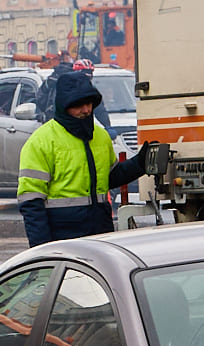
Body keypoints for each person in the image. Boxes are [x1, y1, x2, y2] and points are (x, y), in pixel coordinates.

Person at [15, 68, 124, 247]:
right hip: (63, 238)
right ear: (64, 105)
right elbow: (31, 203)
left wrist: (141, 163)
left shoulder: (100, 136)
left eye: (89, 103)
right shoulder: (41, 141)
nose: (86, 110)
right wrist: (42, 250)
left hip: (100, 234)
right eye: (78, 105)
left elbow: (112, 177)